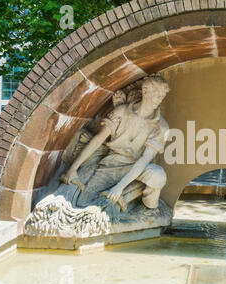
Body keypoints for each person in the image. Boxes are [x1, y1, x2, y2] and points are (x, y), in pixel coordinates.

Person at [61, 75, 170, 210]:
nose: (159, 99)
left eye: (162, 96)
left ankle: (150, 209)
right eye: (157, 94)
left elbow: (145, 159)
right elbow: (98, 140)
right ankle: (123, 196)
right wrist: (73, 169)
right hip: (110, 164)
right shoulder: (121, 111)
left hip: (137, 166)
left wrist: (119, 188)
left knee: (158, 176)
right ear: (145, 91)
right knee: (84, 204)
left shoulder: (162, 126)